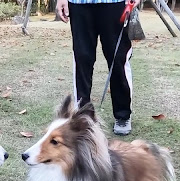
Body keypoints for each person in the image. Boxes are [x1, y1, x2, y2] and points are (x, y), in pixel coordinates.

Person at [56, 0, 136, 136]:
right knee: (82, 59)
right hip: (79, 4)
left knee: (118, 59)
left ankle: (123, 115)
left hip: (115, 3)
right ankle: (83, 116)